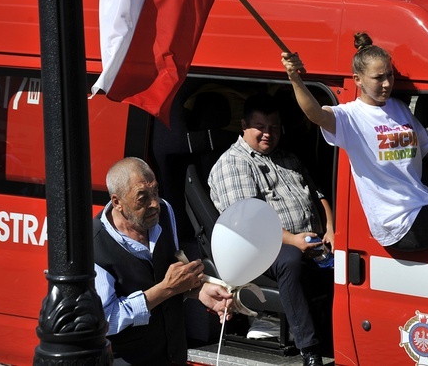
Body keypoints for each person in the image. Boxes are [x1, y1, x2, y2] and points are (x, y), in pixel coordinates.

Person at [281, 32, 428, 272]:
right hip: (397, 222)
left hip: (423, 207)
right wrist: (294, 78)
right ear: (358, 80)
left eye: (389, 75)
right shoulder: (350, 117)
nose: (388, 83)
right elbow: (315, 114)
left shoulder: (399, 108)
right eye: (378, 78)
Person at [208, 93, 333, 366]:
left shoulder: (287, 157)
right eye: (260, 127)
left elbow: (318, 193)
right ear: (244, 126)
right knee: (290, 260)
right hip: (259, 247)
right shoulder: (234, 163)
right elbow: (248, 223)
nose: (268, 134)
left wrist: (331, 229)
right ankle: (310, 349)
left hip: (311, 239)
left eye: (274, 128)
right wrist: (294, 241)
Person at [93, 157, 234, 366]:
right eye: (142, 198)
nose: (154, 204)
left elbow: (170, 275)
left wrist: (199, 291)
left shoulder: (165, 212)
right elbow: (106, 319)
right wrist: (166, 289)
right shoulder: (95, 244)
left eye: (156, 192)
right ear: (117, 202)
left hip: (173, 354)